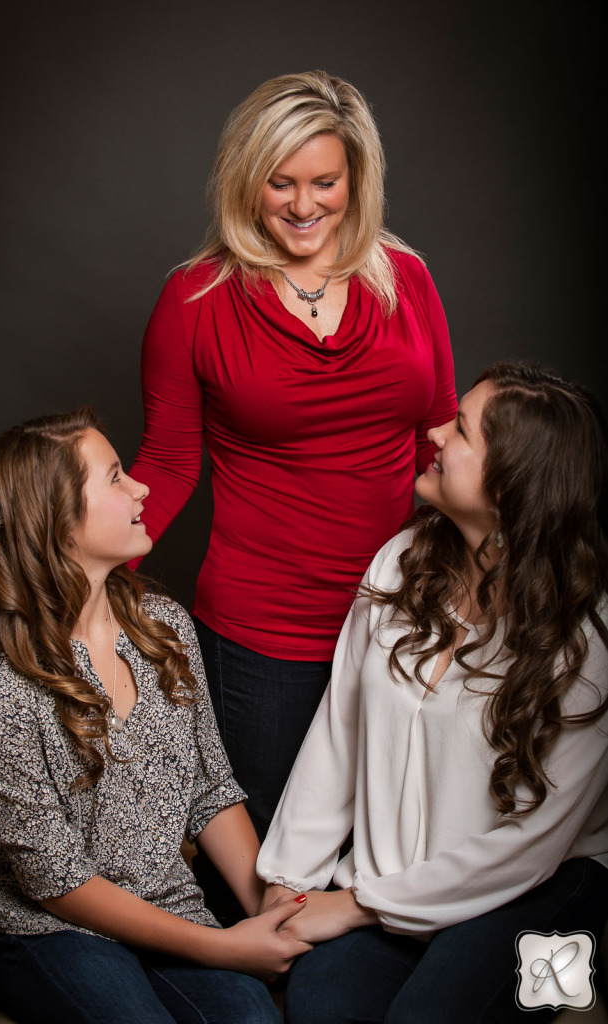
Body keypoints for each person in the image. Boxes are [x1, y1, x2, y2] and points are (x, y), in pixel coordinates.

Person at [130, 70, 458, 839]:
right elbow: (170, 465)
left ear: (356, 178)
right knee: (268, 857)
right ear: (246, 180)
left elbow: (438, 437)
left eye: (325, 182)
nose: (304, 206)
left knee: (391, 847)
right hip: (260, 633)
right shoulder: (194, 301)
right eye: (280, 183)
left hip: (399, 620)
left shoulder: (405, 279)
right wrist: (70, 576)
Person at [0, 408, 312, 1024]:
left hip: (170, 905)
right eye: (114, 477)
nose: (141, 487)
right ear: (55, 520)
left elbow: (209, 789)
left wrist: (262, 913)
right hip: (51, 926)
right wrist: (222, 948)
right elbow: (54, 881)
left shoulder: (165, 627)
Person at [257, 361, 608, 1024]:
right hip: (391, 878)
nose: (436, 432)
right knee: (319, 1013)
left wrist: (352, 906)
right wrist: (288, 883)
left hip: (539, 893)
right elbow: (340, 736)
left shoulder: (588, 642)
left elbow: (527, 847)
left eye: (461, 428)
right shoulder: (399, 564)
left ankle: (570, 984)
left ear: (512, 483)